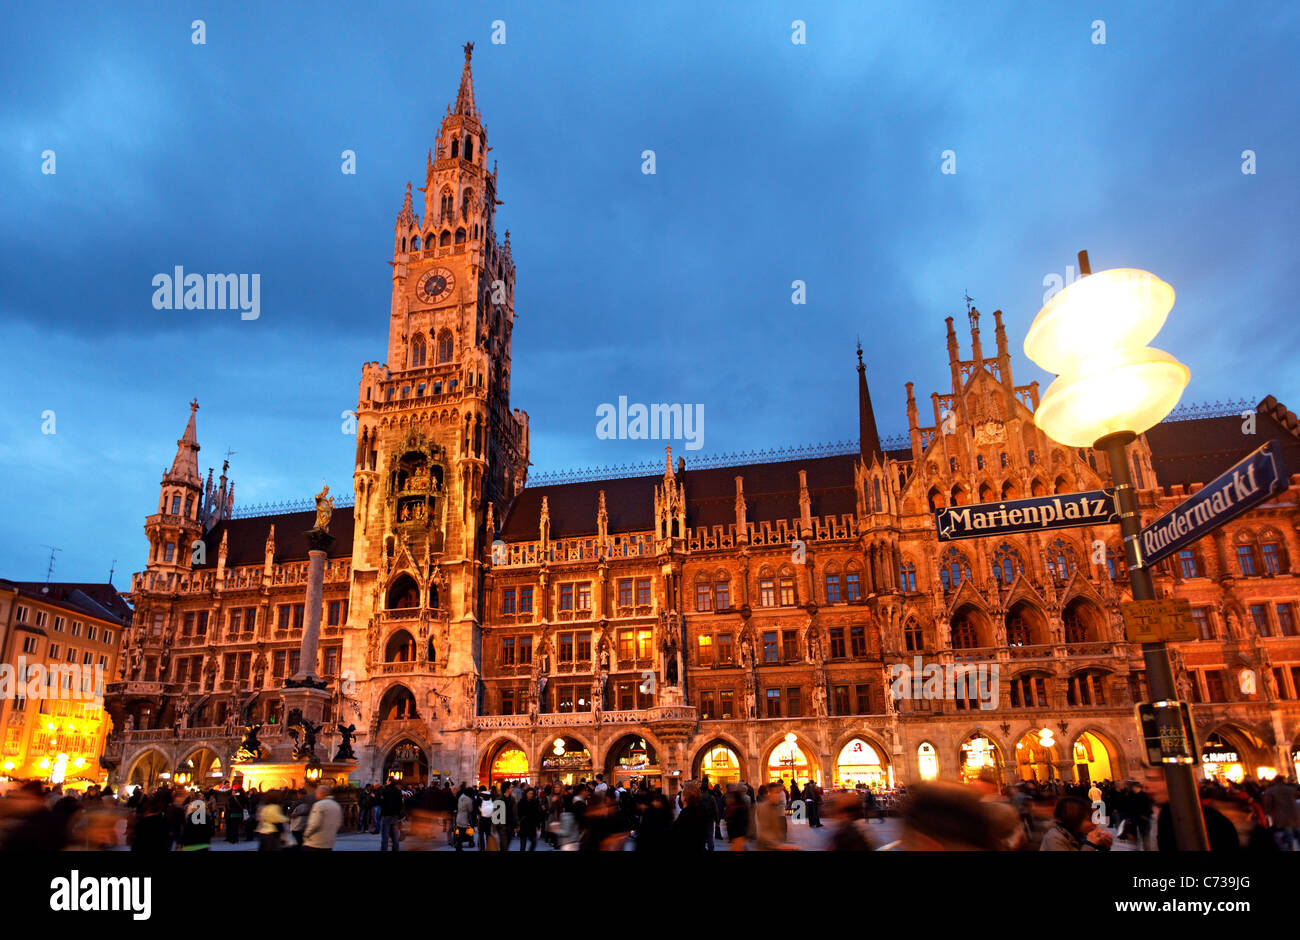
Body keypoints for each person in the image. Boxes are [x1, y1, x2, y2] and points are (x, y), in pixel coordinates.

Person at [1040, 796, 1113, 851]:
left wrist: (1102, 846)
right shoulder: (1055, 838)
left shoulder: (1080, 834)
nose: (1095, 823)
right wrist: (1090, 844)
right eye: (1089, 819)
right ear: (1074, 819)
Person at [1263, 775, 1300, 850]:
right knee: (1298, 832)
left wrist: (1267, 812)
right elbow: (1297, 796)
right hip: (1294, 814)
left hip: (1282, 815)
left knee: (1288, 834)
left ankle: (1291, 848)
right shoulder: (1291, 789)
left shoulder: (1270, 791)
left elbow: (1268, 804)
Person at [754, 784, 795, 851]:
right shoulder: (763, 808)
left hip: (774, 844)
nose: (778, 795)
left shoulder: (775, 807)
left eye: (779, 792)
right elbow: (764, 832)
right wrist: (778, 845)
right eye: (776, 792)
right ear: (769, 794)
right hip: (766, 846)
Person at [303, 785, 342, 851]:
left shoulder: (319, 805)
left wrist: (306, 834)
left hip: (315, 842)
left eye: (316, 793)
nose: (315, 795)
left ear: (321, 793)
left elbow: (315, 823)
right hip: (329, 842)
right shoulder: (336, 805)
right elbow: (339, 823)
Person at [379, 777, 404, 851]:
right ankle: (396, 848)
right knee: (395, 834)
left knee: (385, 833)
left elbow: (381, 802)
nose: (386, 781)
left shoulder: (385, 790)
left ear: (389, 781)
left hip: (386, 814)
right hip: (395, 815)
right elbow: (400, 804)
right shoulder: (398, 791)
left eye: (387, 780)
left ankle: (384, 848)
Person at [454, 786, 474, 851]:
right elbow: (470, 810)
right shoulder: (468, 799)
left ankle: (458, 846)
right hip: (464, 819)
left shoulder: (461, 797)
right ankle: (458, 845)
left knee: (460, 833)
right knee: (462, 834)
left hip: (458, 817)